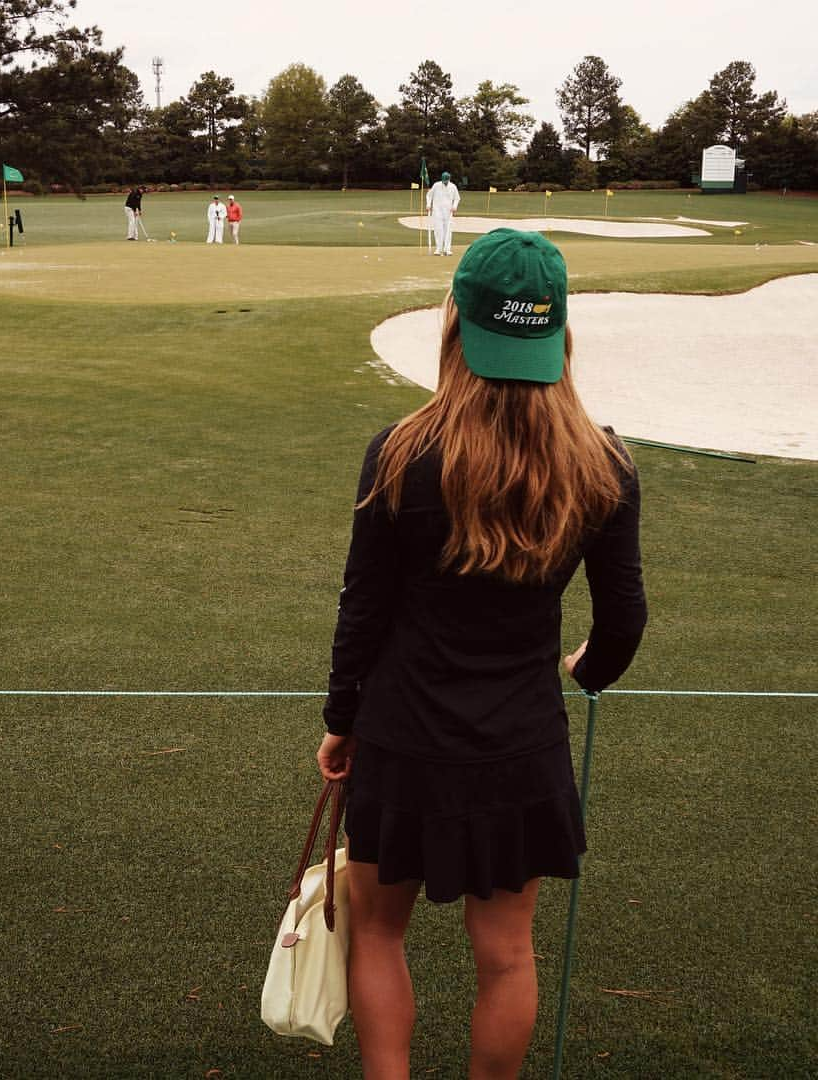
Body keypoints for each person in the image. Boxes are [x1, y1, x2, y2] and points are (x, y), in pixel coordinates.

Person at [316, 228, 647, 1079]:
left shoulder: (399, 452)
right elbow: (623, 623)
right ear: (556, 335)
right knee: (505, 954)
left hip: (401, 736)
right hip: (520, 748)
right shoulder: (604, 463)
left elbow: (364, 611)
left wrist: (339, 723)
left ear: (456, 326)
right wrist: (589, 671)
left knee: (379, 933)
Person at [426, 170, 460, 256]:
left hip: (448, 211)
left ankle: (447, 249)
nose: (445, 182)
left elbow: (457, 198)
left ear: (449, 179)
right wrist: (428, 204)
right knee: (438, 229)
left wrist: (454, 206)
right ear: (442, 179)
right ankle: (438, 249)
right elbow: (429, 195)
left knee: (448, 230)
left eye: (446, 181)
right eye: (444, 181)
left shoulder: (453, 187)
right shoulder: (436, 185)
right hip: (437, 211)